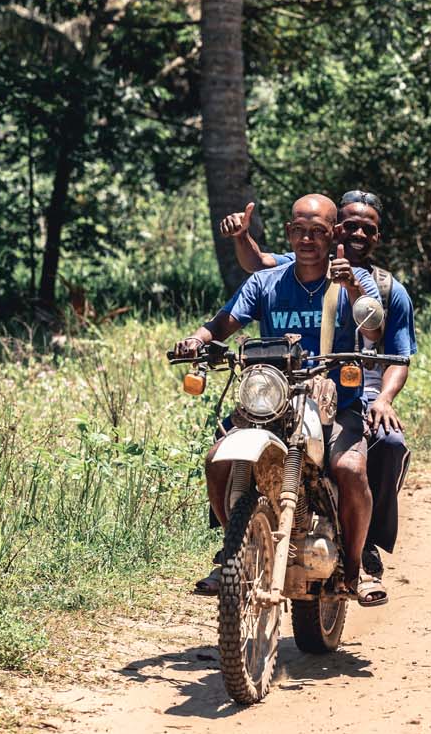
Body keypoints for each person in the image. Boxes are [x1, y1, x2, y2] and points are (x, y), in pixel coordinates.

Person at [172, 195, 386, 604]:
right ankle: (233, 552)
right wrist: (196, 341)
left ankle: (356, 571)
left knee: (352, 468)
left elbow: (374, 332)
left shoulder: (354, 280)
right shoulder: (265, 282)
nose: (308, 239)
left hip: (334, 401)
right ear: (289, 233)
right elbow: (223, 323)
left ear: (333, 234)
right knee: (218, 458)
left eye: (319, 232)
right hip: (271, 396)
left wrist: (354, 286)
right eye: (300, 231)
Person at [220, 190, 416, 604]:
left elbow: (384, 341)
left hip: (349, 390)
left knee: (374, 453)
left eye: (368, 228)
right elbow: (257, 268)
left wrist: (383, 398)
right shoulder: (293, 267)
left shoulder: (378, 286)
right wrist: (240, 237)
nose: (356, 233)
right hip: (280, 389)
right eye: (349, 225)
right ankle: (231, 548)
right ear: (336, 230)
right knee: (222, 443)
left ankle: (362, 557)